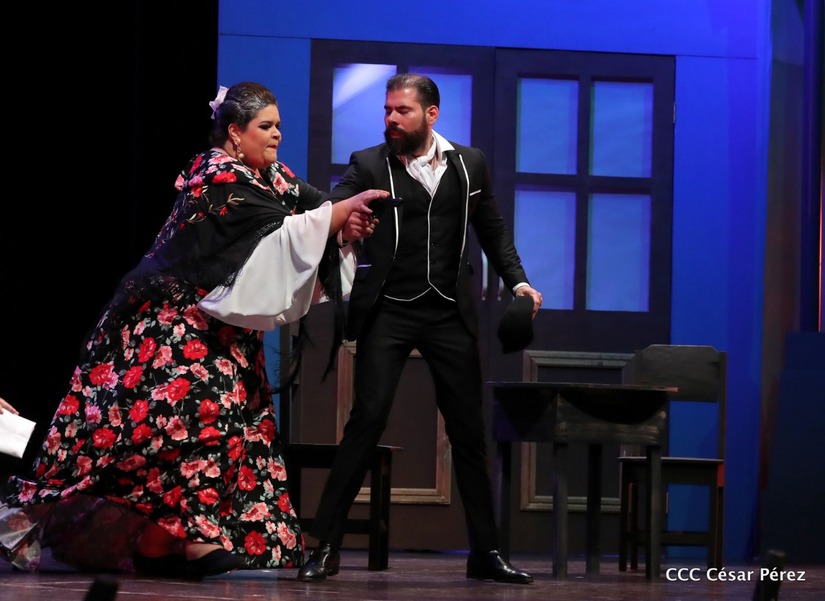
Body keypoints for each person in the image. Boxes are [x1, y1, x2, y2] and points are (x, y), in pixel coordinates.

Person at [0, 81, 387, 579]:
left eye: (278, 127)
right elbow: (285, 227)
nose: (276, 135)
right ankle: (193, 542)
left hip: (222, 333)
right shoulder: (216, 175)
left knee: (228, 430)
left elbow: (313, 214)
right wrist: (336, 217)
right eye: (266, 126)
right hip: (172, 327)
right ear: (235, 132)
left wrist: (344, 224)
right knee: (189, 423)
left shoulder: (273, 176)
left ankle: (162, 544)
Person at [297, 73, 542, 585]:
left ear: (431, 114)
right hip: (390, 309)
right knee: (366, 420)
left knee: (468, 431)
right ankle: (326, 548)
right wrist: (345, 223)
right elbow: (331, 212)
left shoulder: (469, 164)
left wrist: (519, 283)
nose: (391, 119)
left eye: (402, 111)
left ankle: (486, 552)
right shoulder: (369, 163)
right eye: (387, 110)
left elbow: (493, 230)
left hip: (449, 311)